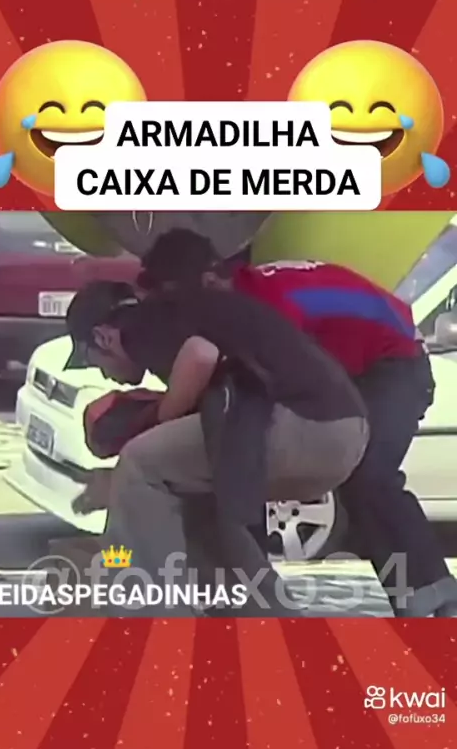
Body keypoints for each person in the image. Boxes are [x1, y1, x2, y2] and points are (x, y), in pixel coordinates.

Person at [136, 230, 457, 618]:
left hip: (394, 364)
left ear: (208, 281)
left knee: (368, 475)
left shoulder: (265, 305)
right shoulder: (245, 293)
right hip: (359, 365)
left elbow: (261, 397)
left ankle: (435, 596)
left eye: (178, 300)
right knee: (342, 474)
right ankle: (417, 597)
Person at [64, 242, 369, 618]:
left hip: (303, 423)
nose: (103, 374)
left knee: (139, 465)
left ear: (102, 337)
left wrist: (154, 427)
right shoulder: (184, 315)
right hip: (341, 433)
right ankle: (270, 621)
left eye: (92, 361)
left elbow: (201, 354)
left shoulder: (143, 323)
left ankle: (152, 621)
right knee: (198, 505)